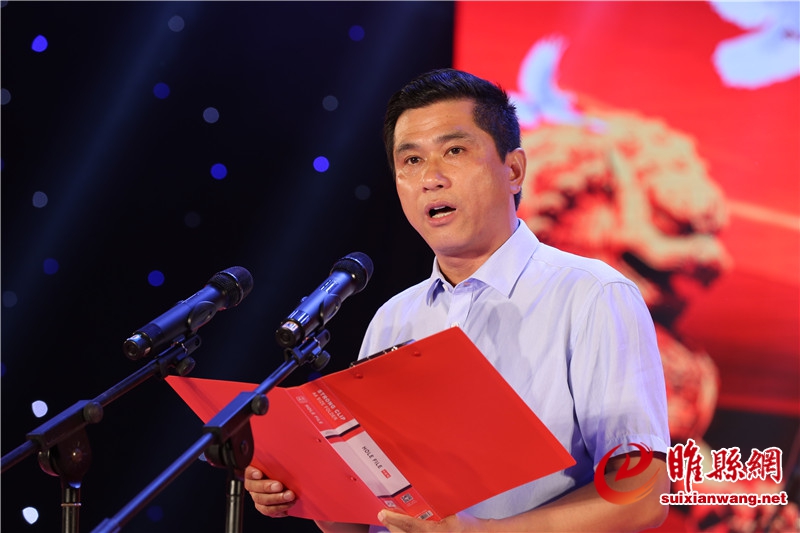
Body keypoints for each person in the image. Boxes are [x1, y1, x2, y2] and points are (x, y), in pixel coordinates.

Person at [245, 68, 671, 533]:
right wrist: (304, 489)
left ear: (514, 170)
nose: (431, 178)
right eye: (411, 160)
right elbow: (363, 519)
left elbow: (644, 495)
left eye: (454, 151)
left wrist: (480, 532)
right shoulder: (394, 318)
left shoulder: (592, 295)